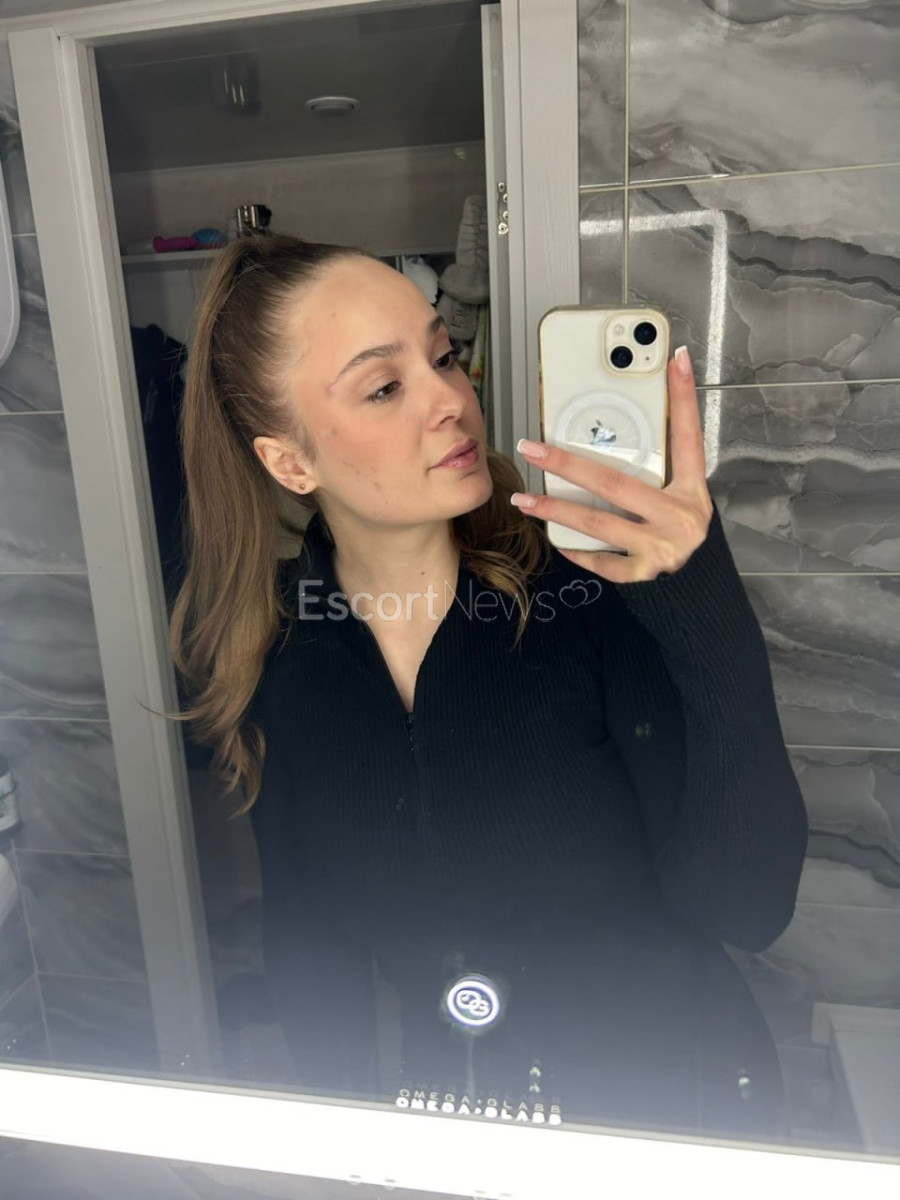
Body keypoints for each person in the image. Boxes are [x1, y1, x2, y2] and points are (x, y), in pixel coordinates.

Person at [167, 232, 809, 1143]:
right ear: (289, 463)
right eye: (384, 387)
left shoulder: (588, 596)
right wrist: (345, 1149)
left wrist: (701, 598)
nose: (450, 400)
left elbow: (748, 907)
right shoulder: (280, 655)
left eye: (442, 357)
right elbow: (310, 945)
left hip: (681, 1119)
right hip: (461, 1132)